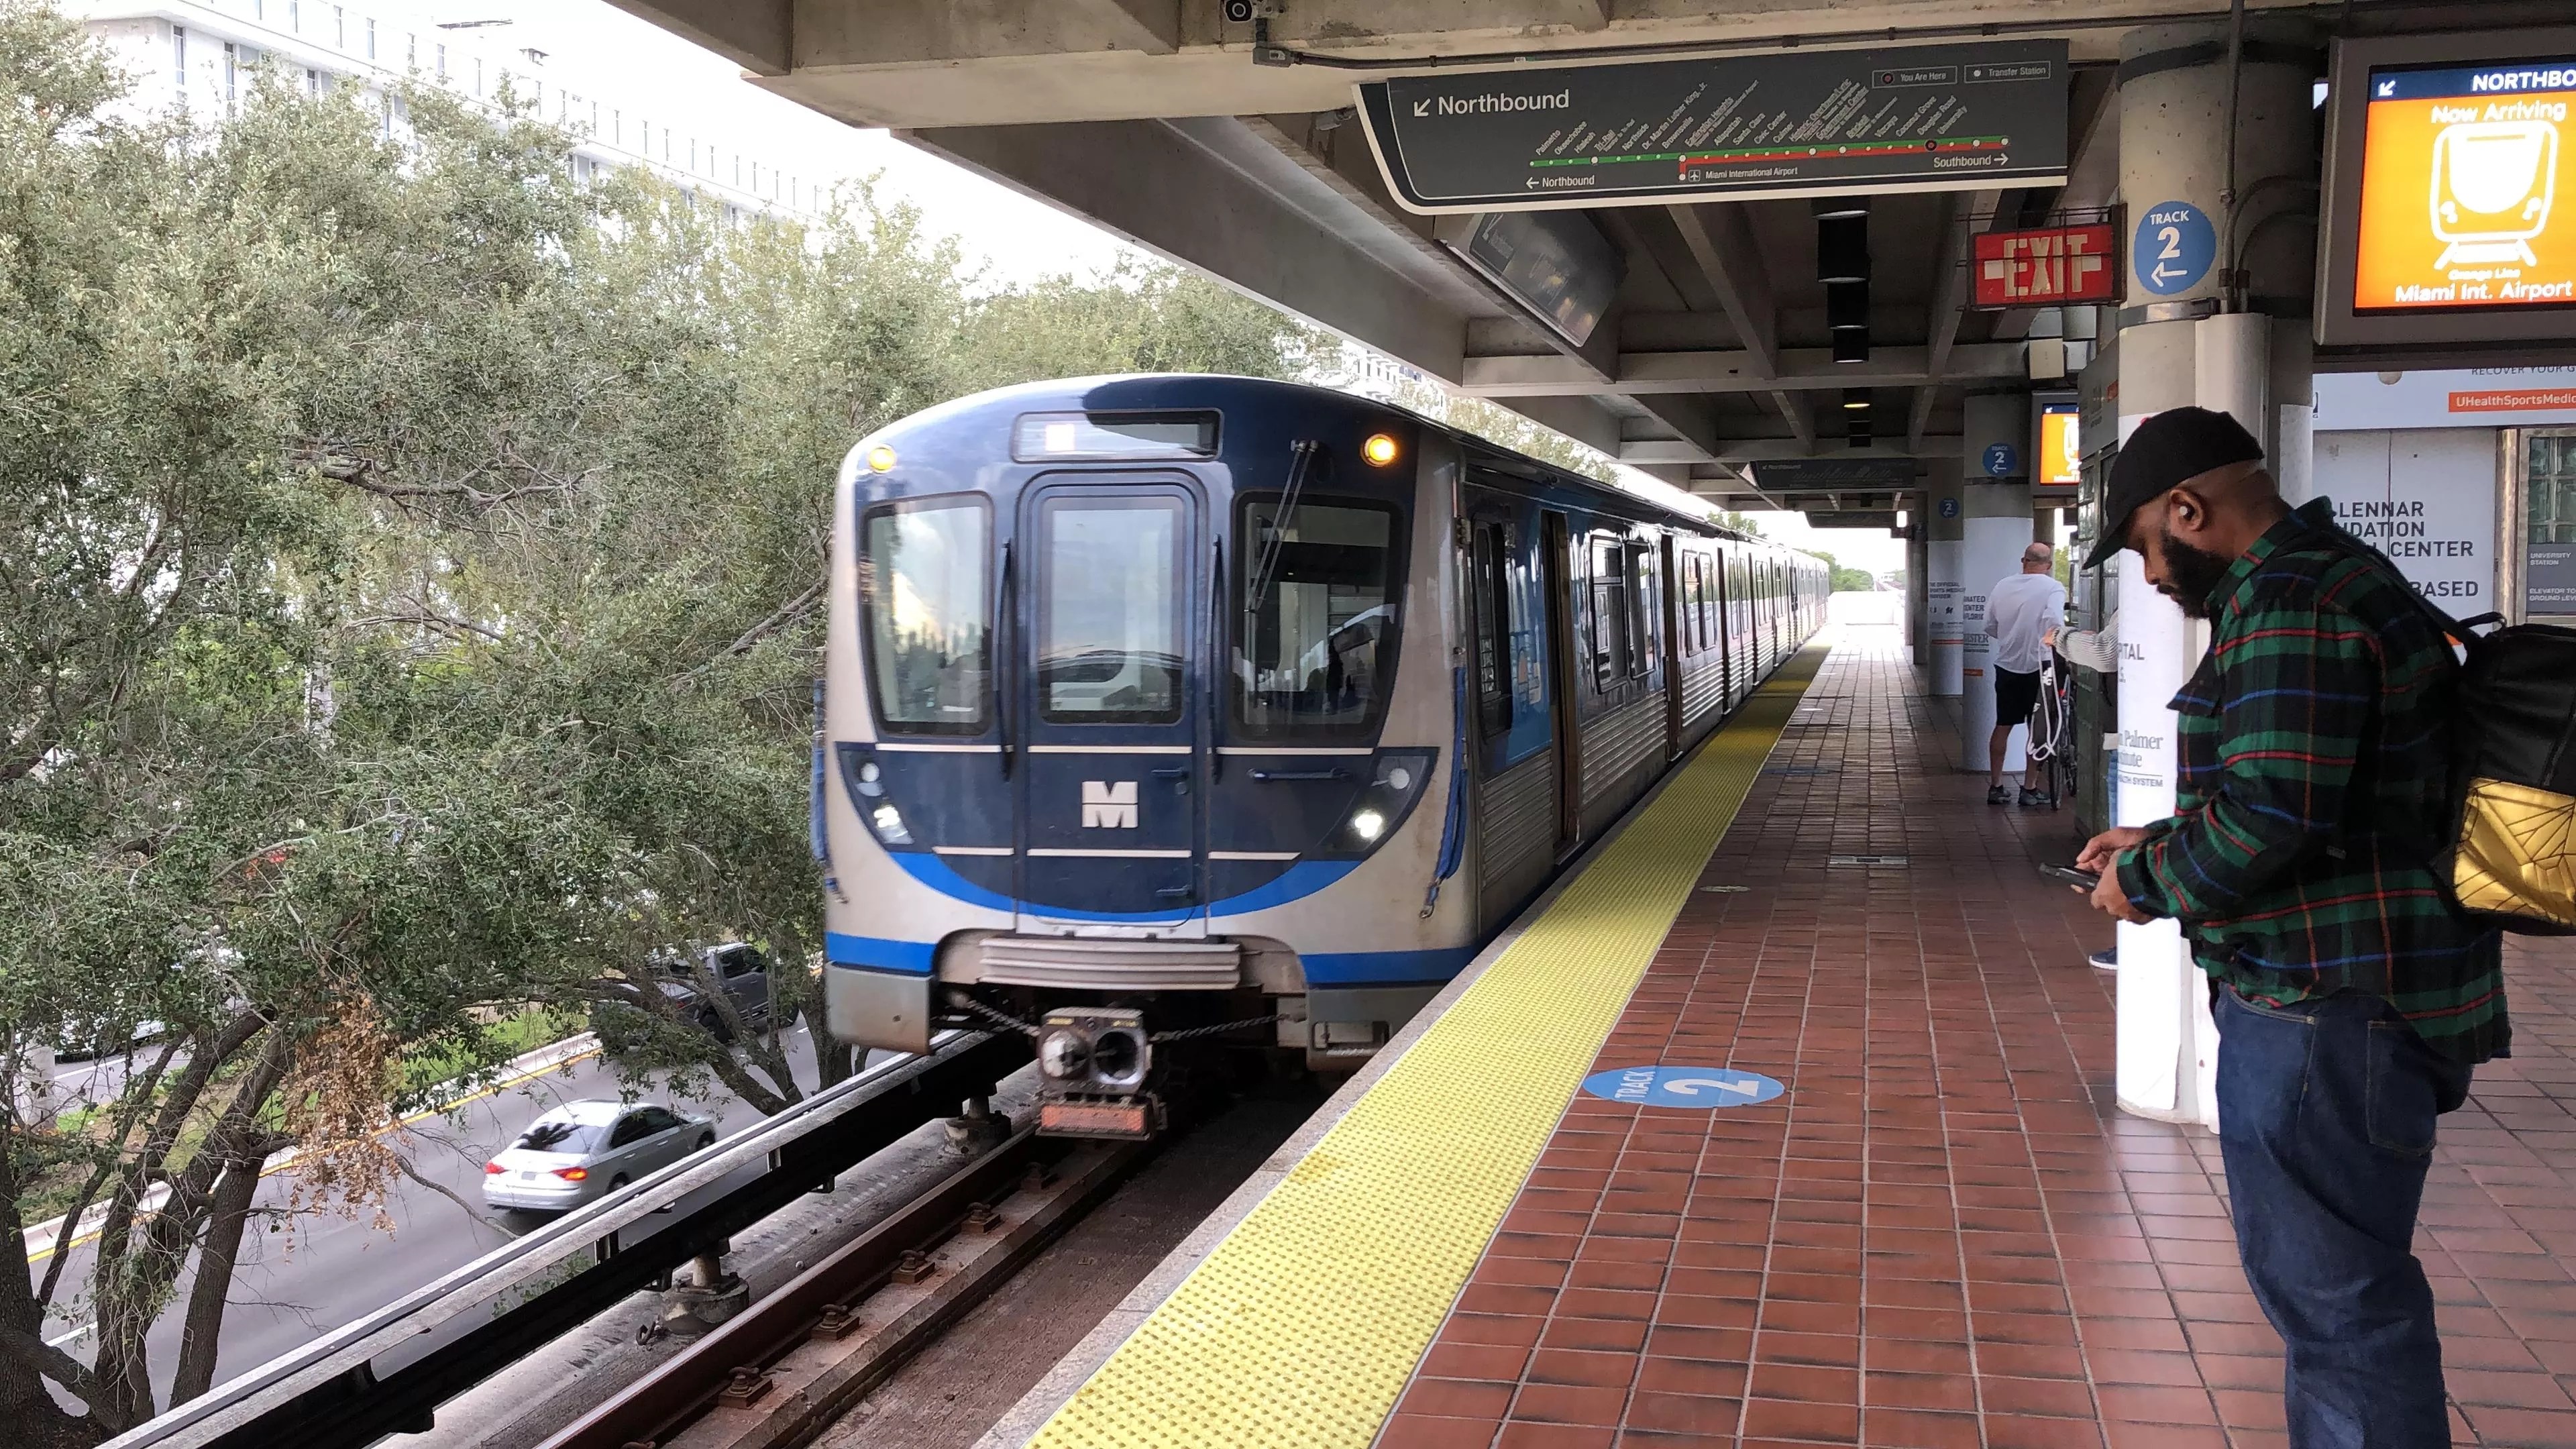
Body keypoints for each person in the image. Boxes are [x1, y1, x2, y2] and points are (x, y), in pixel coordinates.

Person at [2071, 406, 2504, 1448]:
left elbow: (2276, 815)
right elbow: (2324, 798)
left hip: (2325, 1008)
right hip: (2362, 996)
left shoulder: (2289, 603)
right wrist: (2168, 833)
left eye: (2146, 549)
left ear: (2189, 509)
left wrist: (2151, 883)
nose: (2153, 576)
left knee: (2339, 1310)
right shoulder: (2332, 574)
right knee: (2342, 1300)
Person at [1982, 540, 2067, 806]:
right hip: (2041, 665)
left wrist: (2011, 638)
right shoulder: (2053, 587)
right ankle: (2029, 788)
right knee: (2038, 728)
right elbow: (2055, 620)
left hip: (2007, 664)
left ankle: (1996, 786)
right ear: (2049, 565)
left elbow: (1990, 625)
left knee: (2003, 724)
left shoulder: (2002, 586)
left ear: (2024, 561)